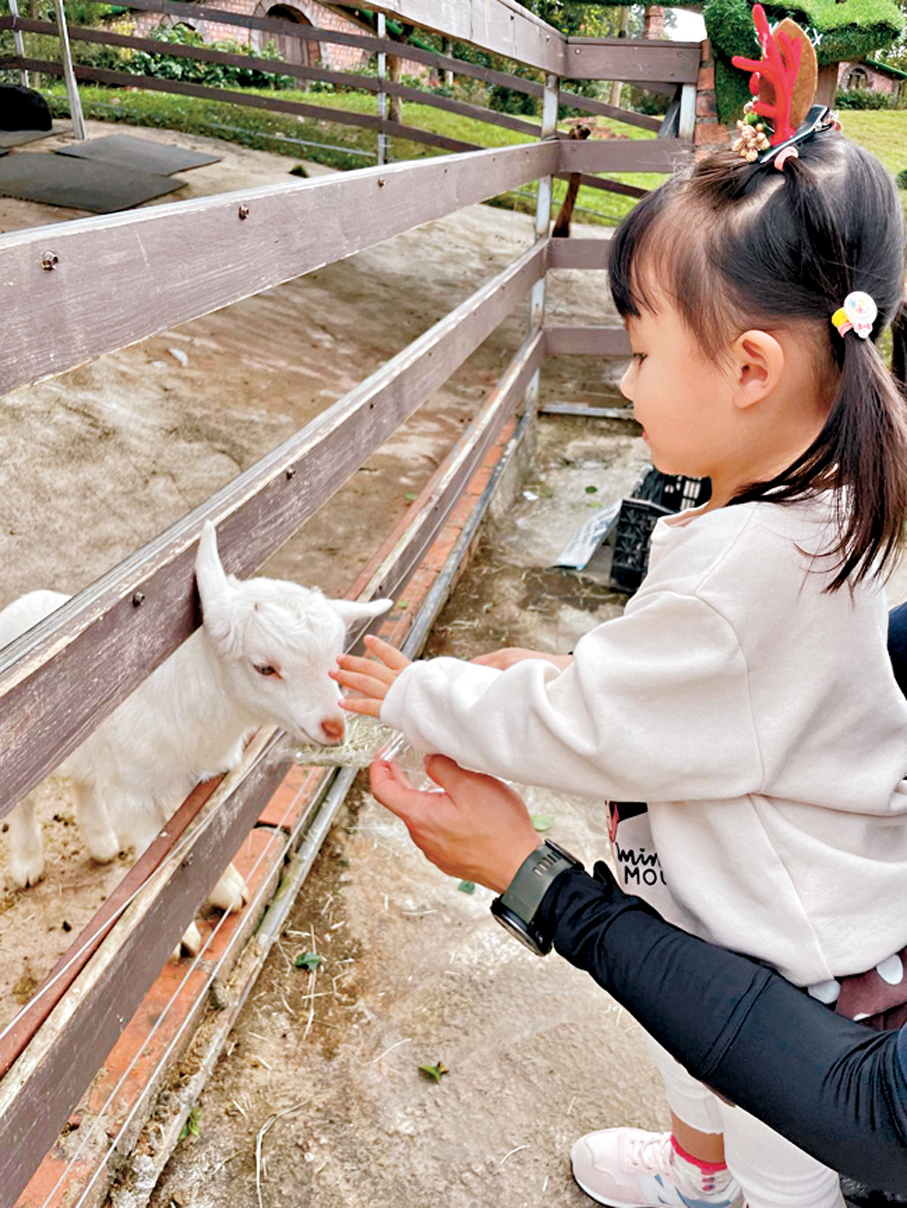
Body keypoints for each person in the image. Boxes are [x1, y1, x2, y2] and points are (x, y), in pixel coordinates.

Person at [333, 120, 907, 1208]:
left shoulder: (743, 566)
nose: (629, 381)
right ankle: (695, 1177)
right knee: (690, 1063)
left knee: (766, 1135)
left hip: (791, 976)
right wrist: (562, 666)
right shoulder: (824, 505)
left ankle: (733, 1187)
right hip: (758, 904)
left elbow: (586, 725)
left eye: (642, 353)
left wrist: (427, 693)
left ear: (749, 369)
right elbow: (714, 698)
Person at [366, 752, 907, 1198]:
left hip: (820, 1001)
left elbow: (878, 1114)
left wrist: (541, 884)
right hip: (694, 897)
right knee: (672, 1028)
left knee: (778, 1164)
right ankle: (700, 1177)